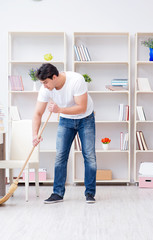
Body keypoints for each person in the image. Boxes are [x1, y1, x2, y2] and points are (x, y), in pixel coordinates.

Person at [32, 63, 97, 204]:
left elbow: (82, 107)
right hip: (66, 120)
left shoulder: (76, 80)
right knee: (60, 156)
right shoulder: (45, 89)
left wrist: (59, 109)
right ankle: (57, 193)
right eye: (42, 83)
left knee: (89, 155)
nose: (44, 86)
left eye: (46, 82)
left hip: (85, 118)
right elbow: (38, 113)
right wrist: (35, 134)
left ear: (54, 77)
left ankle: (90, 193)